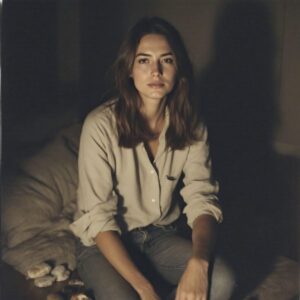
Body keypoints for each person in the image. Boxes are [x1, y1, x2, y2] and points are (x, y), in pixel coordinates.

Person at [70, 17, 235, 300]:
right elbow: (97, 219)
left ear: (177, 68)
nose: (156, 71)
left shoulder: (192, 124)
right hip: (105, 242)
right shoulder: (99, 125)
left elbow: (202, 198)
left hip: (160, 235)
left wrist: (199, 261)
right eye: (144, 60)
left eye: (166, 60)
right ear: (130, 70)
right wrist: (145, 289)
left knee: (221, 281)